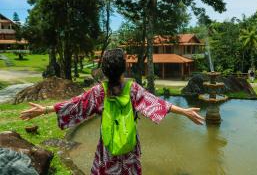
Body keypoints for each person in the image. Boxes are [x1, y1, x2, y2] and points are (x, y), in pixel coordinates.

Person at [20, 48, 204, 175]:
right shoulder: (133, 89)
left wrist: (44, 109)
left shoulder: (98, 91)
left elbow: (74, 105)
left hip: (108, 147)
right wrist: (184, 111)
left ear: (105, 70)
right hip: (129, 146)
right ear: (124, 68)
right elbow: (157, 104)